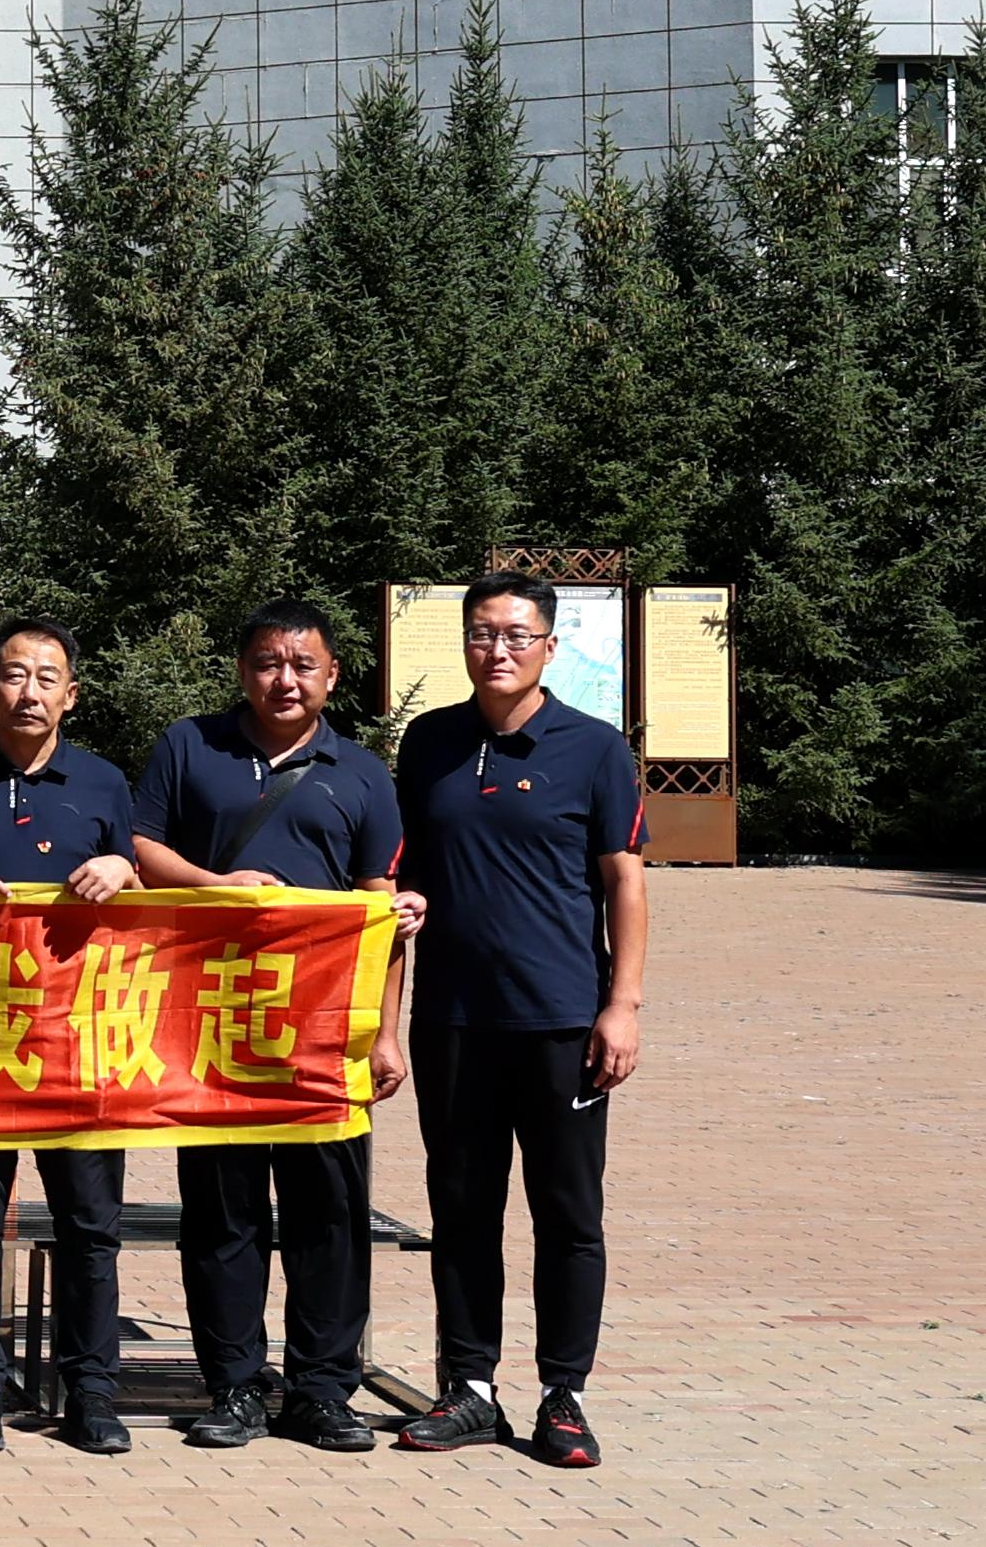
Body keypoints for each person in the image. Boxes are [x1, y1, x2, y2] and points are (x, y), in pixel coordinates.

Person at [129, 596, 406, 1455]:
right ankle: (234, 1384)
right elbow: (141, 849)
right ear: (242, 669)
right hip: (212, 1023)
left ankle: (322, 1389)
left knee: (330, 1216)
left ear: (331, 674)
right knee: (222, 1215)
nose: (283, 679)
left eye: (302, 664)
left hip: (322, 1032)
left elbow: (383, 912)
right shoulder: (189, 746)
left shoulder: (361, 772)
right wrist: (218, 886)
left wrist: (385, 1033)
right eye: (266, 662)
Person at [391, 568, 649, 1469]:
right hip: (454, 1019)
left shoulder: (593, 748)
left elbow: (623, 881)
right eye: (480, 632)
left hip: (561, 1020)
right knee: (462, 1208)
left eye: (515, 634)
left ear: (548, 645)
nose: (496, 649)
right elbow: (407, 873)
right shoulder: (428, 741)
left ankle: (562, 1394)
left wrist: (621, 1004)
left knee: (567, 1214)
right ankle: (468, 1386)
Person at [0, 615, 140, 1457]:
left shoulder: (104, 782)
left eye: (47, 677)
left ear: (70, 695)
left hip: (81, 1039)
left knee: (89, 1226)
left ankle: (91, 1394)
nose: (29, 691)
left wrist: (123, 866)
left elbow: (141, 898)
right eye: (13, 674)